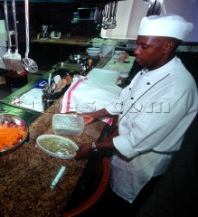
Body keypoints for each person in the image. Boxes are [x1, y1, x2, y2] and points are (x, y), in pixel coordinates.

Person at [75, 14, 198, 216]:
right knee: (107, 193)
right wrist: (94, 114)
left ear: (167, 46)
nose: (136, 51)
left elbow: (137, 140)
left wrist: (94, 146)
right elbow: (124, 99)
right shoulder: (149, 70)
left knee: (119, 206)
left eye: (144, 46)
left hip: (142, 164)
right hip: (123, 149)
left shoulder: (176, 89)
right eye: (137, 44)